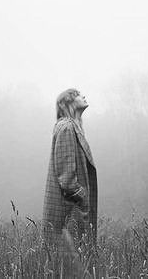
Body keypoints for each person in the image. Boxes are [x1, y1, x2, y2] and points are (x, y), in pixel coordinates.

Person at [42, 88, 98, 269]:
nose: (84, 95)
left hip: (72, 209)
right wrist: (83, 197)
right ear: (68, 103)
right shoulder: (67, 128)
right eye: (78, 94)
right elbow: (66, 180)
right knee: (71, 266)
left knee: (73, 265)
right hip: (69, 211)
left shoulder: (73, 127)